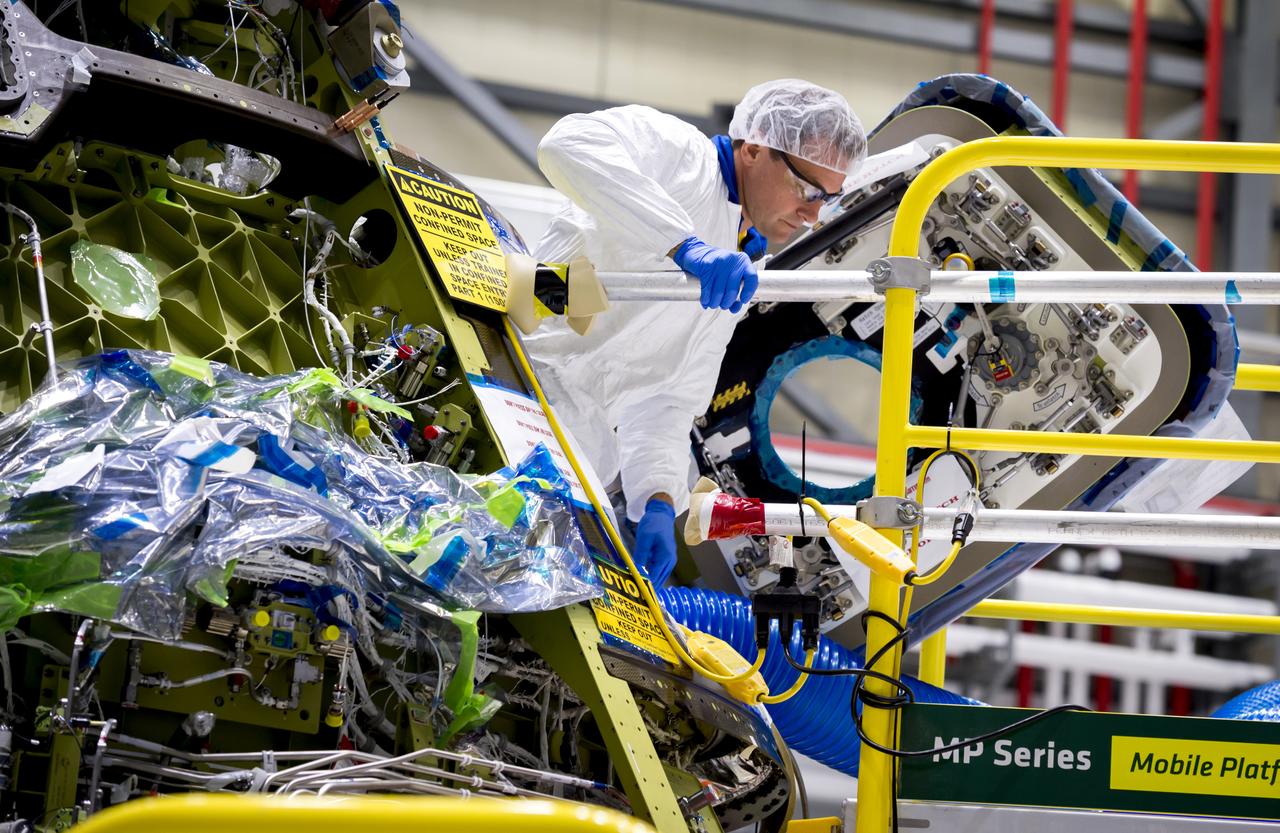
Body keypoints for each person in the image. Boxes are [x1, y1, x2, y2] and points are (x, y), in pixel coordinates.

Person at [525, 79, 866, 586]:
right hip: (512, 380)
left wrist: (659, 499)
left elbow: (668, 396)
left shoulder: (742, 262)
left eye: (829, 200)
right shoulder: (681, 154)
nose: (814, 215)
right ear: (755, 149)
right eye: (807, 190)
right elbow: (566, 145)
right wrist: (685, 246)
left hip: (571, 451)